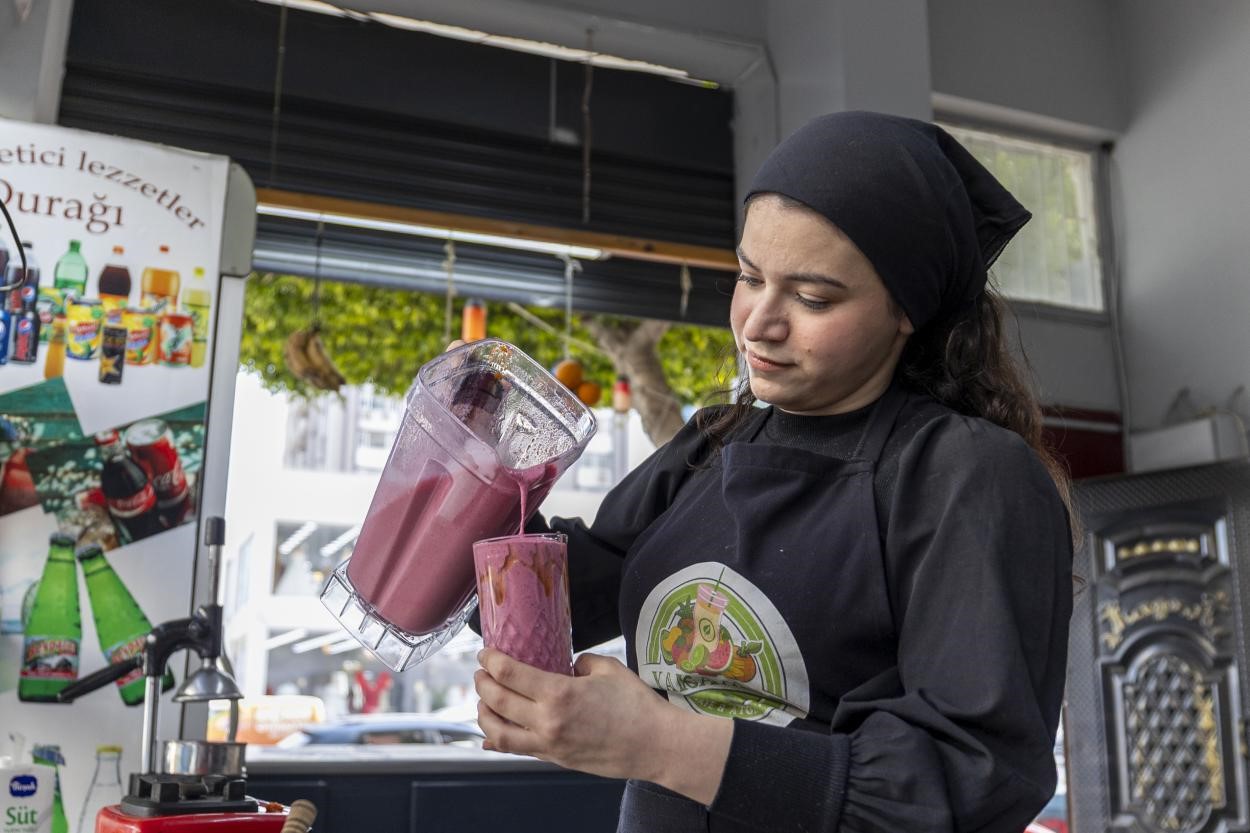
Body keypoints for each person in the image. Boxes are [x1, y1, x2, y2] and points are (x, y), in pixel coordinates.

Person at [470, 110, 1075, 833]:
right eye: (749, 277)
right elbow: (564, 594)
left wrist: (659, 741)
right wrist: (470, 477)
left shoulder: (967, 476)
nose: (759, 322)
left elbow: (970, 775)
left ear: (906, 309)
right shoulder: (710, 446)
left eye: (813, 297)